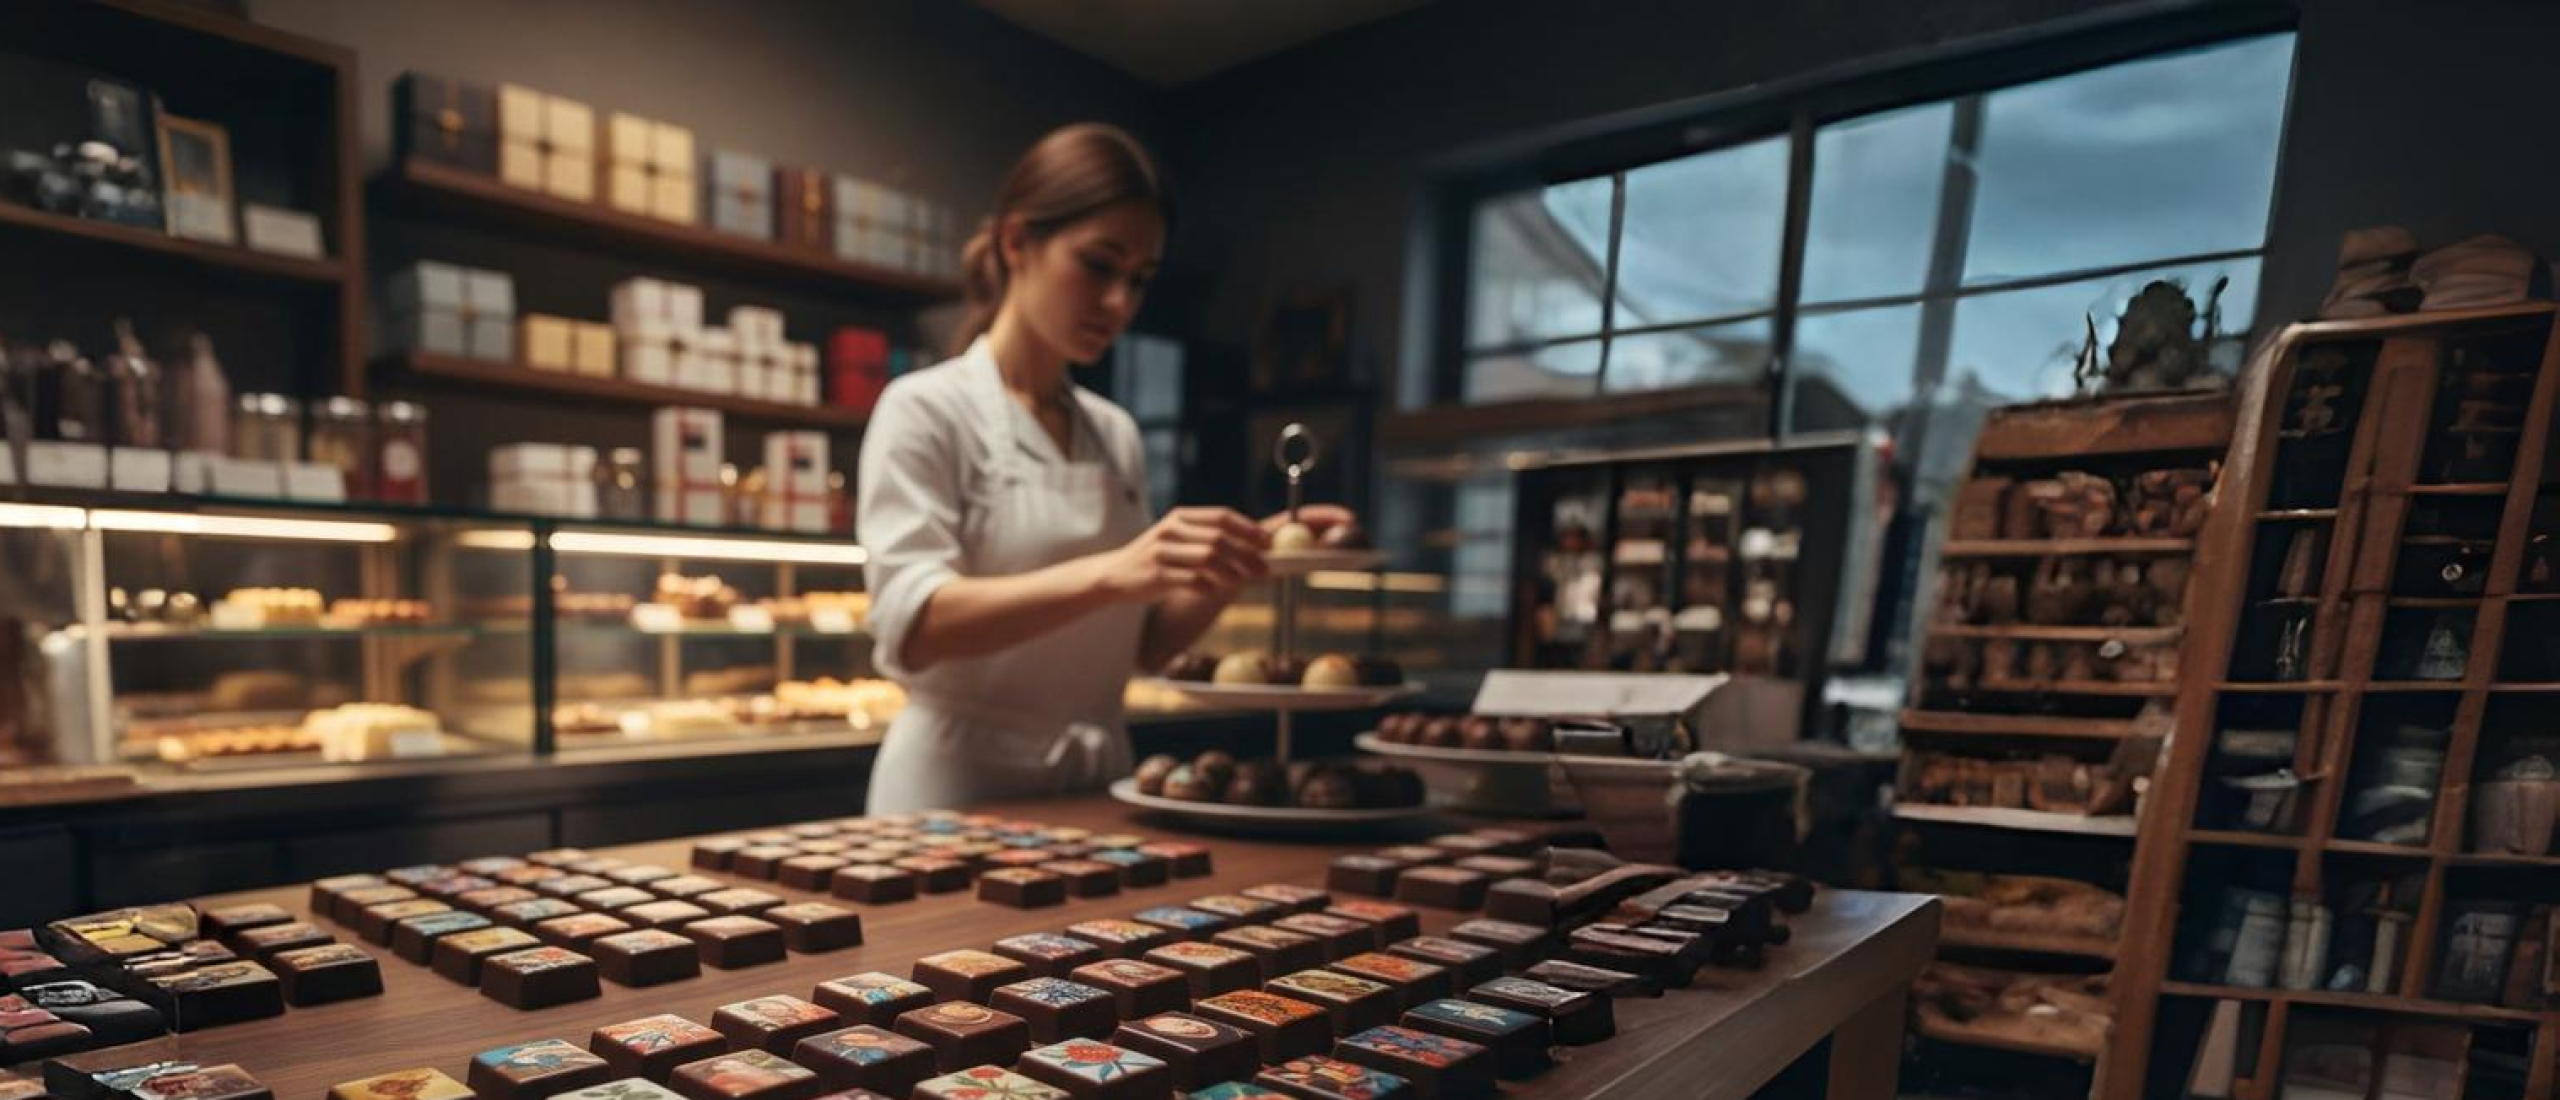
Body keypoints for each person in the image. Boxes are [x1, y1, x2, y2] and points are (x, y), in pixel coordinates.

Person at [858, 122, 1345, 814]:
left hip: (1097, 786)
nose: (1120, 302)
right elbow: (916, 623)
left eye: (1139, 280)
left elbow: (1144, 647)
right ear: (1016, 241)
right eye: (1099, 265)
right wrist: (1117, 572)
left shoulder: (1114, 432)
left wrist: (1249, 555)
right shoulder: (925, 409)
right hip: (955, 793)